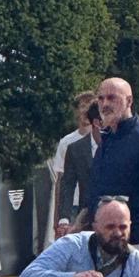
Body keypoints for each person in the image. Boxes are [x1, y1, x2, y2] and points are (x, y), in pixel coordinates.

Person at [84, 76, 139, 264]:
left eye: (111, 98)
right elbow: (96, 190)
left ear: (129, 101)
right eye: (101, 99)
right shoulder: (107, 138)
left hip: (137, 242)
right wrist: (78, 224)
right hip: (104, 241)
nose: (105, 104)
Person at [18, 195, 139, 277]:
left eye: (123, 227)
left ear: (130, 226)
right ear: (95, 227)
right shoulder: (71, 245)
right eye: (110, 227)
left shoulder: (138, 263)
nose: (117, 233)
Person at [49, 90, 98, 224]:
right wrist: (57, 217)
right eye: (82, 106)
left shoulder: (104, 140)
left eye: (89, 106)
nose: (85, 110)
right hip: (71, 206)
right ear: (77, 111)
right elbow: (61, 180)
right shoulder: (67, 142)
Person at [56, 101, 101, 237]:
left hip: (114, 218)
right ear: (96, 122)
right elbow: (67, 184)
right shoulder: (75, 148)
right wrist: (64, 219)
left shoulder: (119, 146)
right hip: (84, 217)